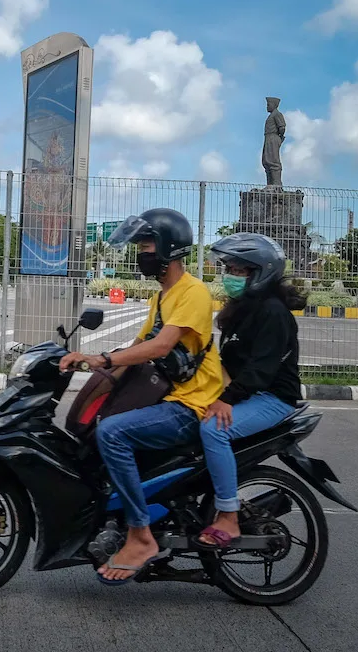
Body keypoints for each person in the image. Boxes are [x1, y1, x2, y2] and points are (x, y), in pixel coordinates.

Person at [59, 208, 222, 584]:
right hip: (168, 399)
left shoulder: (193, 293)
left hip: (189, 405)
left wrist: (102, 358)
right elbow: (137, 346)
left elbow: (161, 347)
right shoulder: (162, 297)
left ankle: (140, 534)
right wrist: (87, 363)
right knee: (93, 426)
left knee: (112, 432)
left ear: (168, 247)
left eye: (147, 245)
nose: (142, 253)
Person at [195, 232, 306, 548]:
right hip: (246, 393)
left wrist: (226, 401)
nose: (231, 276)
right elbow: (226, 363)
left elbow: (261, 369)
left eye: (239, 270)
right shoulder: (240, 309)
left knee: (214, 430)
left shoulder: (273, 312)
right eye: (229, 269)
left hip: (271, 398)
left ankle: (228, 517)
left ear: (261, 272)